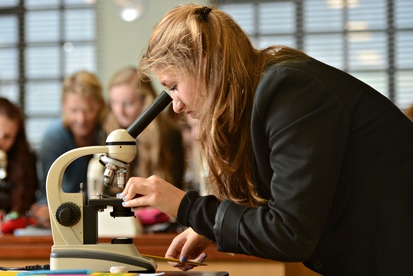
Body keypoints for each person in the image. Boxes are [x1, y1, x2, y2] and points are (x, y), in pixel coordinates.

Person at [116, 4, 413, 275]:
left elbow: (289, 233)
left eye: (174, 86)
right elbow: (279, 202)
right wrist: (209, 227)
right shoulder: (263, 90)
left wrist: (187, 207)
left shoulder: (289, 90)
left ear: (203, 64)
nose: (176, 106)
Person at [35, 70, 106, 227]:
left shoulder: (108, 132)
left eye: (88, 110)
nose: (81, 119)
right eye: (74, 111)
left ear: (100, 106)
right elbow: (49, 190)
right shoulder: (53, 138)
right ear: (64, 107)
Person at [105, 67, 185, 190]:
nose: (120, 111)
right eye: (114, 103)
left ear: (145, 102)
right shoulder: (109, 133)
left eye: (128, 103)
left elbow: (175, 186)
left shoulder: (169, 134)